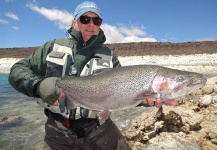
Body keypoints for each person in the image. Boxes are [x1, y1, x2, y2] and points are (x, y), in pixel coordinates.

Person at [8, 1, 175, 149]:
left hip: (99, 127)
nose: (91, 24)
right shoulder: (51, 47)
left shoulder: (109, 57)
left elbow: (124, 92)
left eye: (96, 20)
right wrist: (38, 85)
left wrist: (143, 100)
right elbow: (17, 70)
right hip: (57, 129)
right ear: (74, 23)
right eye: (85, 19)